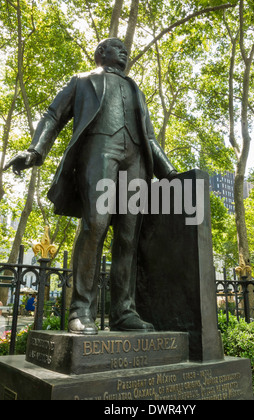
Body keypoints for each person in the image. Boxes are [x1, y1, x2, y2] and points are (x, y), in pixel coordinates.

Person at [5, 38, 177, 335]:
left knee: (127, 236)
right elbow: (53, 115)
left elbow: (149, 136)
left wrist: (171, 173)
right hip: (99, 151)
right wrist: (35, 151)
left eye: (126, 48)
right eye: (116, 47)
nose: (124, 51)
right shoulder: (82, 81)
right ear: (100, 54)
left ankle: (124, 311)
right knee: (95, 225)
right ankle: (81, 309)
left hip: (136, 160)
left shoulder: (136, 89)